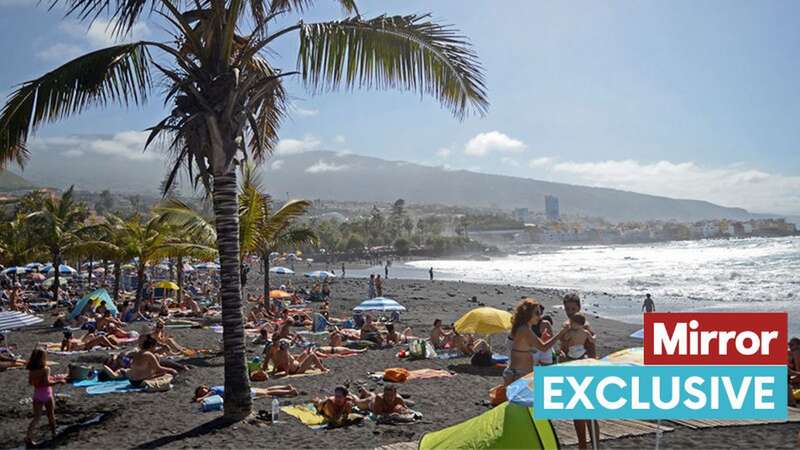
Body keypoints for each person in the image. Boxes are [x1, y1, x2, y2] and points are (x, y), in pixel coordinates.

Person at [505, 298, 567, 386]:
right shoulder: (525, 329)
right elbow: (543, 347)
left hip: (517, 373)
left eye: (540, 313)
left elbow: (527, 346)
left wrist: (542, 339)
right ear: (528, 314)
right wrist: (561, 333)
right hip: (519, 375)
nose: (540, 316)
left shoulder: (521, 328)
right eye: (537, 313)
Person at [26, 349, 65, 446]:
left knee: (36, 418)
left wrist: (41, 381)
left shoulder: (32, 369)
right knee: (51, 415)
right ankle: (54, 433)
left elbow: (31, 382)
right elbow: (47, 383)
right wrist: (58, 381)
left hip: (37, 395)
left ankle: (28, 437)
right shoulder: (46, 369)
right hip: (47, 395)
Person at [562, 293, 596, 358]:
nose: (570, 312)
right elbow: (563, 345)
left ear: (579, 308)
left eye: (573, 309)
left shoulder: (584, 326)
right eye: (567, 309)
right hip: (568, 357)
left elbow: (592, 348)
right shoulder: (565, 324)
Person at [193, 384, 297, 402]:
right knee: (266, 390)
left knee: (266, 392)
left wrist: (199, 399)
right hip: (240, 388)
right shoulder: (214, 389)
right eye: (201, 392)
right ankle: (286, 387)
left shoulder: (213, 390)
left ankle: (289, 391)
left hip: (241, 391)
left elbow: (207, 396)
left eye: (202, 390)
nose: (203, 392)